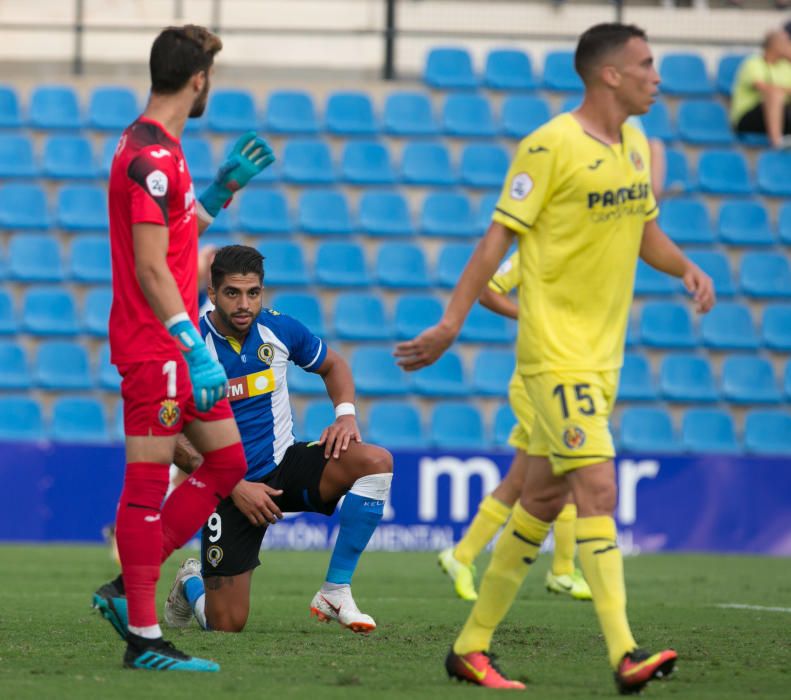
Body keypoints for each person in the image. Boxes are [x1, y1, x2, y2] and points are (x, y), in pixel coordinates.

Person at [395, 23, 715, 693]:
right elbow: (492, 245)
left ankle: (471, 647)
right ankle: (624, 653)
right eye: (646, 64)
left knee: (539, 499)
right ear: (609, 75)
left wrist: (682, 265)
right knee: (597, 488)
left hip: (603, 356)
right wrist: (451, 322)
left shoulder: (632, 142)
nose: (657, 76)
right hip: (555, 355)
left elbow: (643, 229)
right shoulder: (548, 145)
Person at [91, 25, 274, 672]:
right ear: (199, 80)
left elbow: (171, 245)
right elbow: (150, 268)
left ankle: (126, 591)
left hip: (164, 341)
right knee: (144, 489)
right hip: (154, 346)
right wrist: (193, 346)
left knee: (225, 464)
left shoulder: (154, 148)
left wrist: (221, 192)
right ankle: (143, 638)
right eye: (211, 77)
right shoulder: (152, 160)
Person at [162, 245, 393, 635]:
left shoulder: (279, 329)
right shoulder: (189, 346)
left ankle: (335, 590)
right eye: (232, 292)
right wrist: (234, 487)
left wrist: (345, 416)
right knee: (226, 625)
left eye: (253, 292)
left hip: (283, 466)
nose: (244, 304)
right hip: (226, 488)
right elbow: (168, 437)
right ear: (212, 292)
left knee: (375, 462)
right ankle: (191, 581)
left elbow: (334, 365)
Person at [438, 251, 592, 603]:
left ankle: (460, 556)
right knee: (566, 469)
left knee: (519, 481)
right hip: (537, 383)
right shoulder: (534, 251)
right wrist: (532, 317)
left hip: (563, 380)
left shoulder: (585, 252)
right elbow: (488, 291)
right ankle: (563, 571)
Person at [731, 29, 791, 148]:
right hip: (749, 117)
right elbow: (762, 86)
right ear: (775, 45)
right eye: (786, 42)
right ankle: (777, 142)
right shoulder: (754, 63)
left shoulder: (785, 67)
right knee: (774, 94)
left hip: (783, 114)